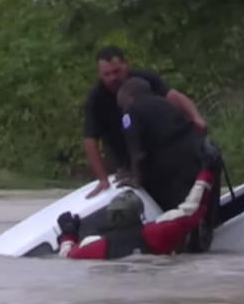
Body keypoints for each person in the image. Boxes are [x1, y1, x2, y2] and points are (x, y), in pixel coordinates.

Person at [115, 76, 225, 252]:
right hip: (206, 156)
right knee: (206, 216)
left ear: (129, 95)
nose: (121, 108)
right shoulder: (165, 104)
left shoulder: (131, 111)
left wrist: (136, 176)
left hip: (183, 167)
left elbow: (137, 151)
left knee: (184, 221)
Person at [83, 45, 207, 199]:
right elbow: (90, 139)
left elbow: (173, 96)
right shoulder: (96, 99)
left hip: (158, 146)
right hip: (122, 152)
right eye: (106, 74)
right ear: (99, 74)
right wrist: (102, 178)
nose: (112, 78)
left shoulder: (143, 80)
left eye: (116, 72)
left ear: (125, 65)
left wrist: (197, 118)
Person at [55, 170, 214, 260]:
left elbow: (68, 257)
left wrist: (68, 235)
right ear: (140, 214)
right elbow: (192, 210)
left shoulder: (96, 246)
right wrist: (205, 175)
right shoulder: (160, 232)